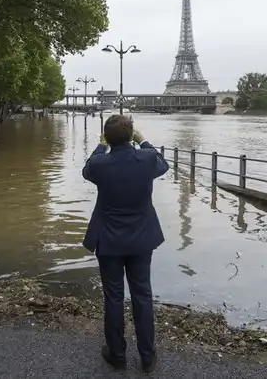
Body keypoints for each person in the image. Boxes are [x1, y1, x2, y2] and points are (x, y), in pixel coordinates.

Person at [81, 114, 170, 372]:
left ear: (107, 138)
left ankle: (117, 354)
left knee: (113, 297)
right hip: (142, 237)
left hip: (108, 239)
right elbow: (163, 164)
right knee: (142, 294)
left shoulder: (100, 163)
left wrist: (100, 146)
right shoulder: (147, 159)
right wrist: (143, 141)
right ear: (131, 136)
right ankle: (147, 355)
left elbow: (87, 169)